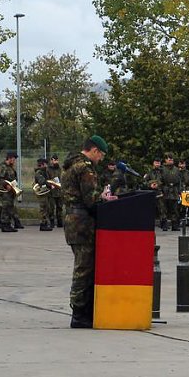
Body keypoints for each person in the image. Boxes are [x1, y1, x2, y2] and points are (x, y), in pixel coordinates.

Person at [62, 135, 115, 328]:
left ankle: (82, 310)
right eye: (101, 155)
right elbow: (91, 200)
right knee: (84, 268)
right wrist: (104, 198)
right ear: (94, 150)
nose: (101, 159)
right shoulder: (85, 168)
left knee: (83, 266)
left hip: (73, 221)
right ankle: (79, 313)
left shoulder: (70, 164)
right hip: (82, 222)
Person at [0, 151, 23, 230]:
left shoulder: (10, 167)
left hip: (11, 191)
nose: (14, 160)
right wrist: (6, 185)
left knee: (10, 207)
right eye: (13, 158)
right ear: (9, 158)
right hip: (5, 191)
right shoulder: (3, 167)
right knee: (6, 207)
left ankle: (8, 224)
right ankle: (5, 224)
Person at [160, 153, 182, 231]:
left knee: (175, 209)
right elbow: (159, 180)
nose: (171, 161)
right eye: (169, 160)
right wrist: (160, 190)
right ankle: (164, 225)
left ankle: (175, 225)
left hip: (174, 190)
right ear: (166, 160)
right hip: (165, 189)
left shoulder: (176, 169)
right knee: (164, 209)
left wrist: (180, 192)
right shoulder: (162, 169)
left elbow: (179, 181)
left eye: (172, 160)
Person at [33, 157, 54, 231]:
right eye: (45, 164)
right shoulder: (39, 172)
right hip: (42, 193)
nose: (46, 166)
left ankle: (45, 223)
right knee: (43, 208)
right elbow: (42, 181)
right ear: (42, 165)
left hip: (45, 192)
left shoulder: (44, 172)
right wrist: (49, 184)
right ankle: (43, 224)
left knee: (46, 208)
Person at [144, 157, 165, 229]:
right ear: (153, 163)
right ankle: (149, 223)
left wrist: (158, 184)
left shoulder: (163, 171)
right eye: (156, 163)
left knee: (162, 209)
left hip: (160, 192)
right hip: (151, 192)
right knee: (150, 209)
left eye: (158, 163)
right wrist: (150, 185)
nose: (157, 164)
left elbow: (165, 181)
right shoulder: (149, 171)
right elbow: (144, 181)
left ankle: (163, 224)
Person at [47, 155, 65, 228]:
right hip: (52, 191)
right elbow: (47, 179)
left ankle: (59, 221)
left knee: (60, 207)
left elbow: (62, 178)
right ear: (51, 161)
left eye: (56, 160)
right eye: (54, 160)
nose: (55, 162)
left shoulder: (60, 169)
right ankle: (51, 221)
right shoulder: (48, 169)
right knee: (51, 207)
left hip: (59, 191)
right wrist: (50, 184)